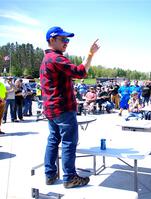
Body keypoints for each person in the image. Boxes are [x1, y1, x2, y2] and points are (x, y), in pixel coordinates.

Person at [40, 26, 99, 188]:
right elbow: (80, 72)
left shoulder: (47, 59)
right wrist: (90, 54)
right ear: (52, 40)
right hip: (63, 109)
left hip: (52, 109)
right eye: (63, 39)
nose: (67, 42)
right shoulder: (56, 58)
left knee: (53, 140)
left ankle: (50, 175)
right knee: (68, 142)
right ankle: (70, 178)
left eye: (67, 40)